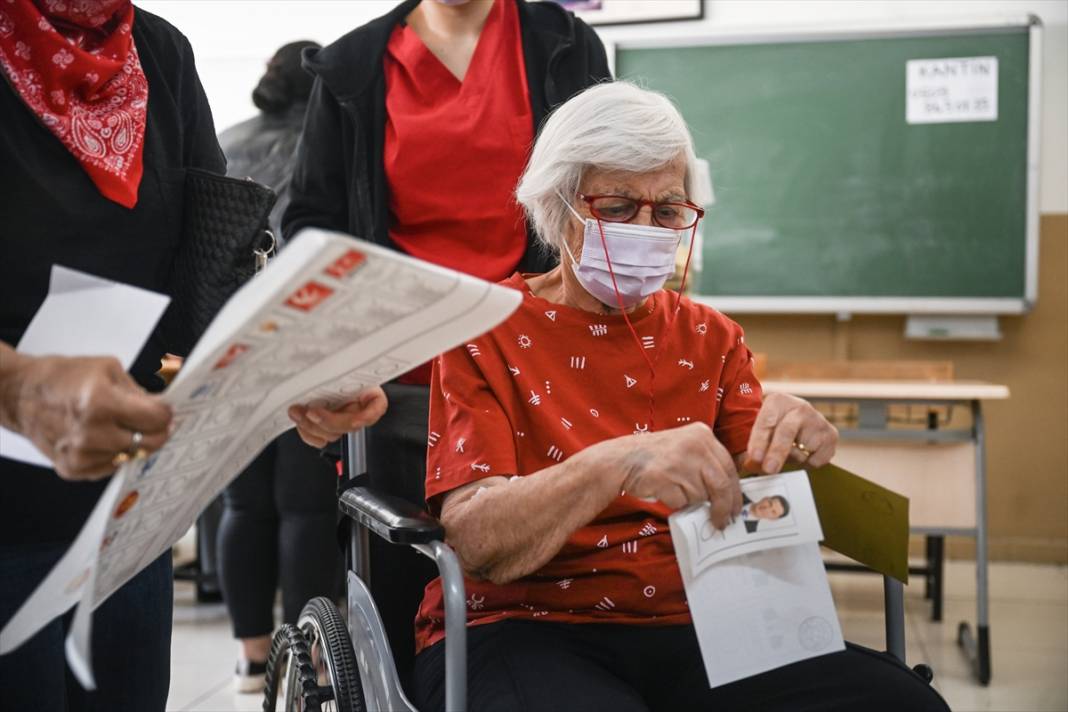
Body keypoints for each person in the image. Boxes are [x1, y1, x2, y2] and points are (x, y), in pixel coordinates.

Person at [409, 82, 950, 711]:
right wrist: (621, 461)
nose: (647, 229)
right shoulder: (486, 329)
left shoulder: (710, 336)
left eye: (668, 212)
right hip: (525, 623)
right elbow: (475, 539)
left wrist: (801, 442)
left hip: (707, 618)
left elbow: (764, 484)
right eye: (616, 207)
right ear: (559, 208)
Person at [0, 3, 383, 710]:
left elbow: (210, 266)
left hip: (126, 516)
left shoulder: (158, 54)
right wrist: (18, 386)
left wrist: (283, 374)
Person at [283, 0, 610, 680]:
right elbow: (316, 227)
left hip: (540, 366)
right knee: (413, 604)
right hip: (403, 387)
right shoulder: (351, 68)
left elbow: (604, 188)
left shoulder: (561, 42)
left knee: (555, 591)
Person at [214, 39, 346, 693]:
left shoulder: (225, 140)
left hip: (229, 342)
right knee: (306, 510)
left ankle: (249, 656)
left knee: (244, 503)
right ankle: (305, 658)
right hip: (304, 340)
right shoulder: (327, 149)